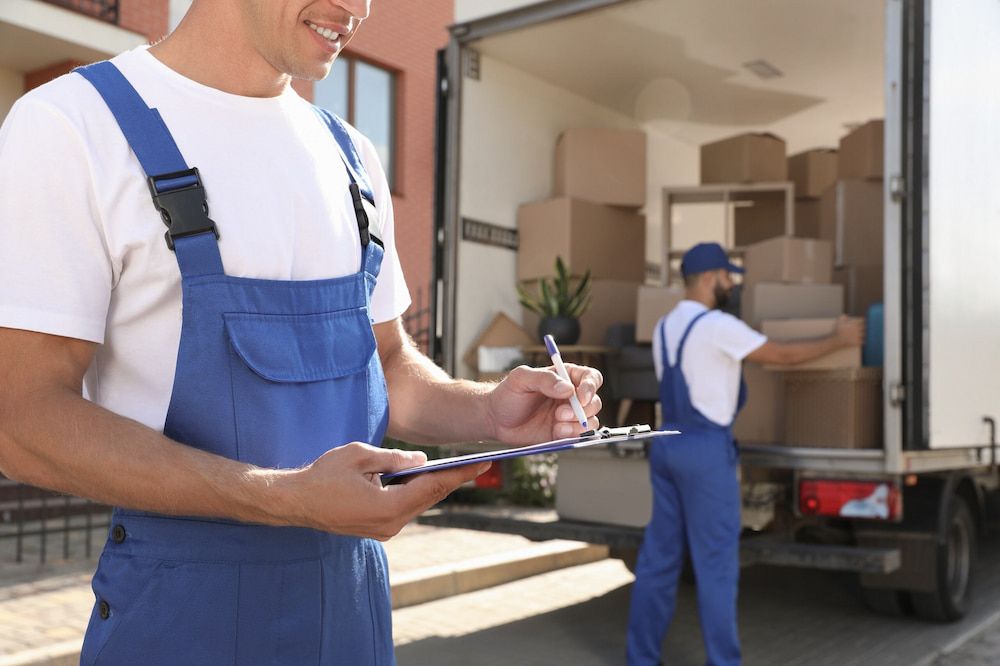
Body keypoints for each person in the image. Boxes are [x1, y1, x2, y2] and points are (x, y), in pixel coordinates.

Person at [0, 1, 602, 663]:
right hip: (179, 626)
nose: (358, 9)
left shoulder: (352, 160)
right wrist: (284, 499)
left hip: (351, 618)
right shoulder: (73, 126)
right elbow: (21, 422)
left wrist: (488, 409)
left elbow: (390, 364)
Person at [625, 242, 863, 666]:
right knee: (716, 566)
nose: (731, 285)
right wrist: (838, 338)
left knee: (659, 560)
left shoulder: (664, 327)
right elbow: (784, 356)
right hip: (704, 451)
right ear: (707, 278)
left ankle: (641, 658)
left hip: (668, 445)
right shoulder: (718, 326)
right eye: (727, 277)